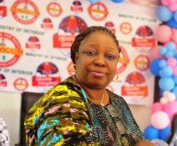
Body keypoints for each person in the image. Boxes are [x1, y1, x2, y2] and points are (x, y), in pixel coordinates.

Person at [24, 26, 153, 146]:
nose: (100, 62)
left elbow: (137, 140)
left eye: (110, 56)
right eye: (91, 53)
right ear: (77, 57)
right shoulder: (62, 101)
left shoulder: (118, 102)